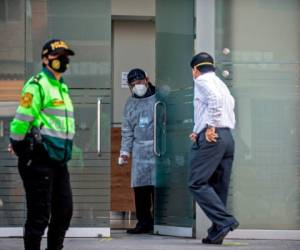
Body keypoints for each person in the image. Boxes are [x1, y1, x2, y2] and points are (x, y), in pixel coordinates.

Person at [8, 39, 75, 250]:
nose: (62, 60)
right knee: (39, 217)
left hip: (59, 161)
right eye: (57, 56)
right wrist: (19, 147)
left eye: (65, 56)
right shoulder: (36, 84)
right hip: (39, 160)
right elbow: (21, 120)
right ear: (45, 59)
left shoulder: (62, 87)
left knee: (64, 211)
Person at [188, 52, 239, 244]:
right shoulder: (220, 83)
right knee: (219, 186)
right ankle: (216, 231)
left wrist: (209, 127)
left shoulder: (202, 81)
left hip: (213, 137)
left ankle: (225, 221)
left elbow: (214, 101)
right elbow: (226, 104)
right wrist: (197, 130)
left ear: (195, 69)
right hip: (226, 136)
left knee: (196, 182)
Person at [119, 68, 156, 234]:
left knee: (158, 188)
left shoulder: (159, 98)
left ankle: (160, 222)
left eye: (140, 82)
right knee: (141, 189)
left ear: (147, 80)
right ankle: (143, 222)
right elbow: (127, 131)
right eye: (133, 84)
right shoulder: (130, 104)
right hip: (140, 150)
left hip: (159, 149)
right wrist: (124, 151)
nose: (137, 86)